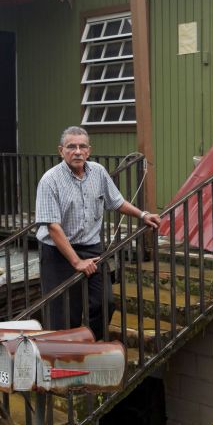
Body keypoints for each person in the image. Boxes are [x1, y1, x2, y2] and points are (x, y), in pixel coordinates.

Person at [35, 126, 161, 339]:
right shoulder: (50, 180)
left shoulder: (98, 172)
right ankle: (66, 355)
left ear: (89, 150)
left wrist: (142, 215)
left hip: (91, 249)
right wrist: (76, 263)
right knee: (65, 312)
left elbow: (116, 201)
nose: (77, 151)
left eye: (82, 146)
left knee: (104, 302)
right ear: (61, 151)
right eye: (71, 146)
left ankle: (90, 342)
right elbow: (53, 227)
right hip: (58, 252)